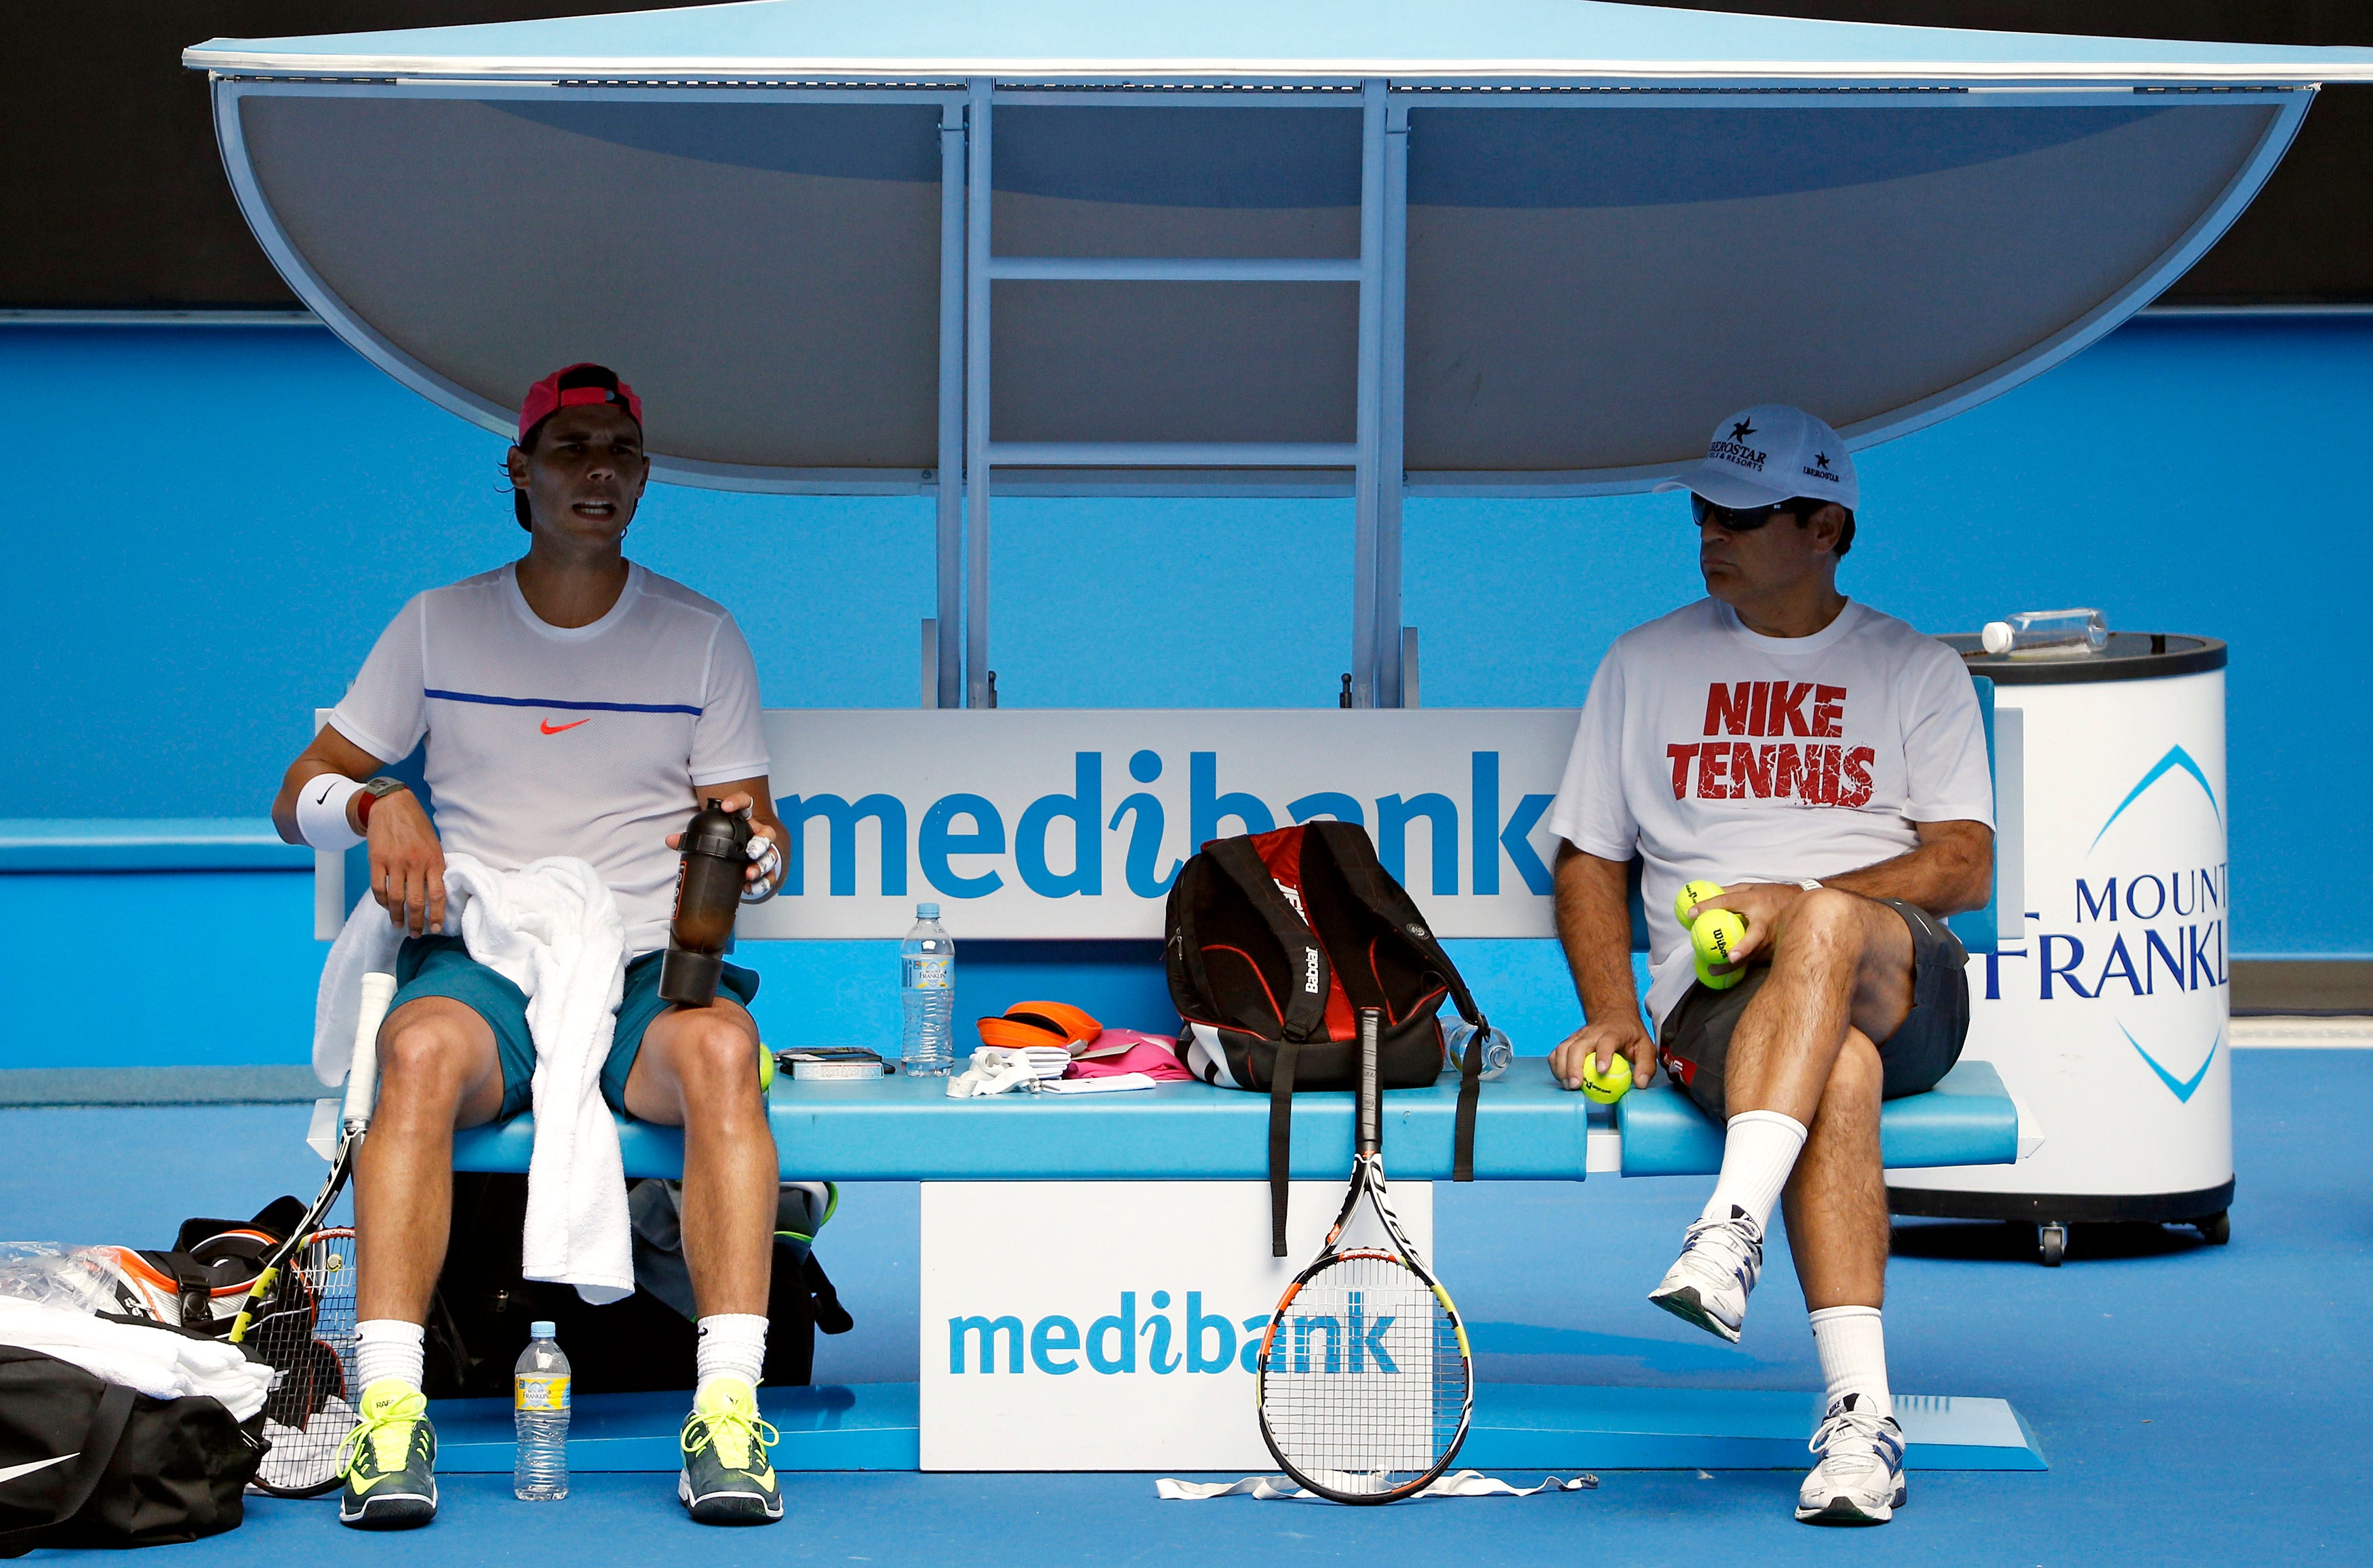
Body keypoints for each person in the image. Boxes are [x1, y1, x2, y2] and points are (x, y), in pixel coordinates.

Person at [271, 365, 793, 1529]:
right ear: (521, 472)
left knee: (724, 1054)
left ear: (645, 478)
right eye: (569, 448)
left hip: (646, 963)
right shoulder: (433, 623)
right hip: (488, 955)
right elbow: (297, 791)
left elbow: (756, 832)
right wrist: (373, 806)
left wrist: (746, 848)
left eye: (619, 450)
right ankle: (390, 1414)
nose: (596, 469)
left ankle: (726, 1409)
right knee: (411, 1054)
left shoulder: (703, 636)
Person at [1544, 405, 1994, 1526]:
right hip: (1725, 999)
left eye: (1742, 513)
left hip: (1905, 978)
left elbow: (1964, 862)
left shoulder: (1914, 668)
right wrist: (1613, 1010)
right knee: (1832, 1072)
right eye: (1705, 508)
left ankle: (1730, 1225)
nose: (1713, 531)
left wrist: (1798, 903)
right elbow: (1589, 857)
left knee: (1833, 923)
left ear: (1827, 525)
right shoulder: (1643, 663)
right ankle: (1860, 1420)